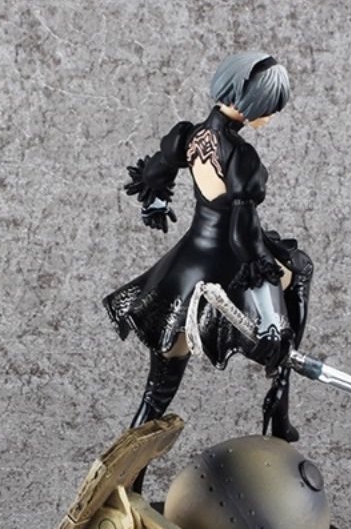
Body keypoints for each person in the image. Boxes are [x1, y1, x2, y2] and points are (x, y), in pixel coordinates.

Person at [104, 52, 313, 489]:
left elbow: (157, 171)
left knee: (159, 388)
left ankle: (126, 478)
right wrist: (269, 314)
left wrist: (156, 202)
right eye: (269, 107)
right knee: (298, 270)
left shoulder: (191, 136)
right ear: (248, 101)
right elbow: (244, 238)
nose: (271, 116)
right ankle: (280, 388)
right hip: (227, 262)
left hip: (187, 263)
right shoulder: (241, 157)